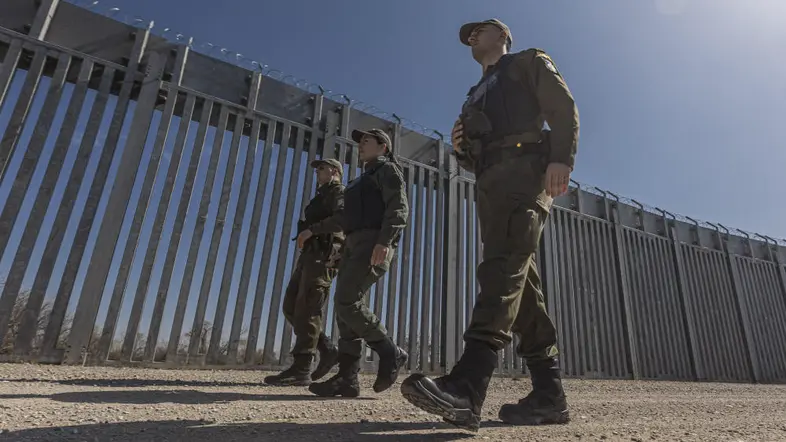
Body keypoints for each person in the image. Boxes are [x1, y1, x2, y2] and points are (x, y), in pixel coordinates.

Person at [400, 18, 579, 431]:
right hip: (491, 182)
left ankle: (468, 385)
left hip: (525, 172)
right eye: (468, 36)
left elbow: (562, 106)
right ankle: (549, 396)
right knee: (522, 286)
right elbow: (471, 155)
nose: (471, 38)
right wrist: (461, 148)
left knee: (502, 268)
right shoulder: (473, 95)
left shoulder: (526, 62)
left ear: (502, 35)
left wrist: (561, 158)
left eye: (479, 30)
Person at [298, 128, 409, 398]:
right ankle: (347, 378)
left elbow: (398, 208)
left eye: (367, 141)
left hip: (373, 242)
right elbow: (344, 219)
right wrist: (316, 231)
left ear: (383, 147)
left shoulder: (388, 170)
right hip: (352, 244)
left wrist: (385, 241)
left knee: (348, 300)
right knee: (343, 307)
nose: (360, 145)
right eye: (360, 142)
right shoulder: (359, 181)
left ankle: (389, 351)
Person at [264, 158, 345, 386]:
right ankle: (327, 349)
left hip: (324, 254)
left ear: (335, 171)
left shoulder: (338, 191)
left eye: (322, 168)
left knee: (309, 306)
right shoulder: (321, 195)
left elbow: (342, 220)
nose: (317, 172)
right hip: (310, 255)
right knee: (291, 306)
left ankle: (301, 368)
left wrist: (312, 230)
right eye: (317, 169)